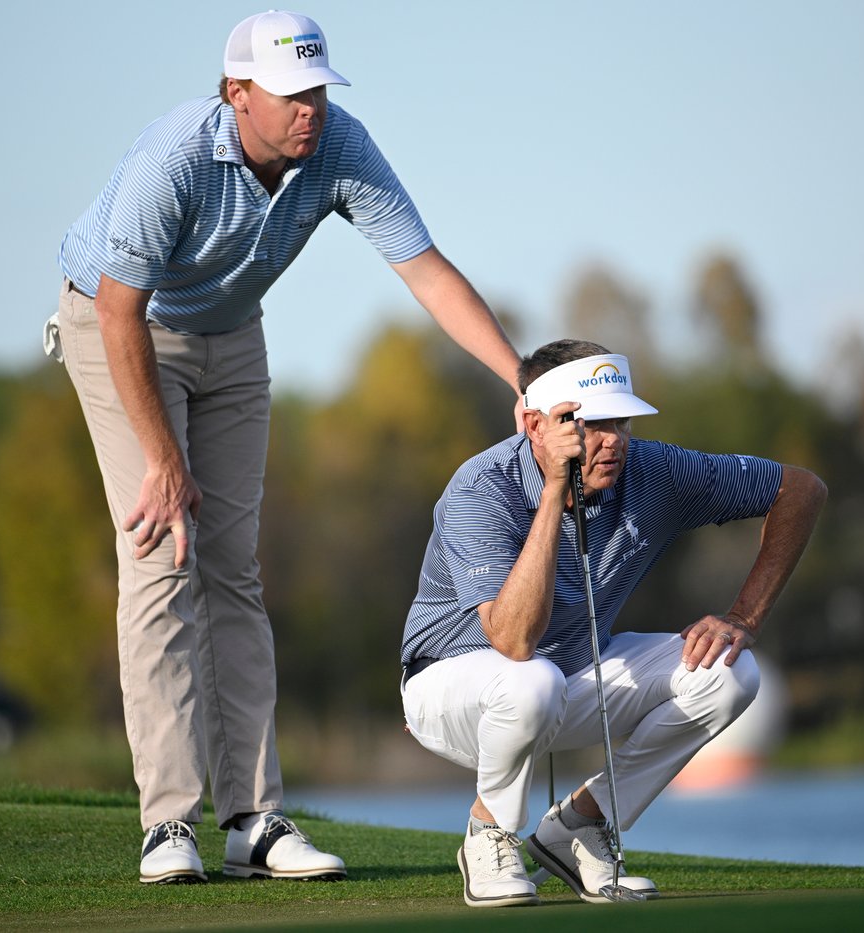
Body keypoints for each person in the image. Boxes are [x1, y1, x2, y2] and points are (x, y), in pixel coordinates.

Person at [45, 10, 522, 885]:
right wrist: (164, 458)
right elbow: (118, 311)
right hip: (123, 328)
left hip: (232, 336)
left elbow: (425, 270)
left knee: (233, 568)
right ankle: (167, 824)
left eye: (319, 91)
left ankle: (253, 820)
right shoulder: (174, 157)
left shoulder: (339, 147)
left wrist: (520, 376)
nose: (312, 109)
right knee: (161, 553)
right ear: (238, 95)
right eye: (293, 94)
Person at [400, 339, 827, 907]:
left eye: (621, 422)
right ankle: (489, 831)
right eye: (590, 424)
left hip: (566, 679)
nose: (613, 442)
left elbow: (800, 490)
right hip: (452, 692)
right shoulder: (482, 487)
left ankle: (581, 821)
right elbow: (513, 640)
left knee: (730, 672)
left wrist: (743, 616)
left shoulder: (654, 472)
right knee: (531, 679)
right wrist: (555, 489)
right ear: (534, 424)